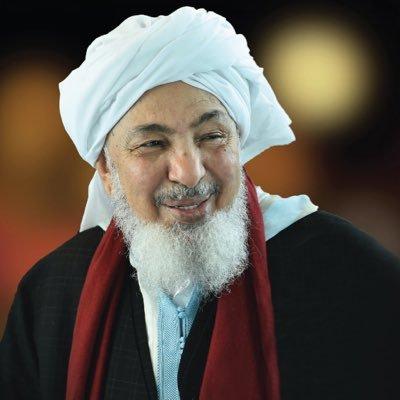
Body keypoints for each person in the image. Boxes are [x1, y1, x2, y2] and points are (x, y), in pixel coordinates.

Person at [1, 7, 400, 400]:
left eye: (211, 136)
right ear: (107, 169)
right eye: (153, 144)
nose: (189, 173)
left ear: (239, 142)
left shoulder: (343, 269)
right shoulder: (55, 293)